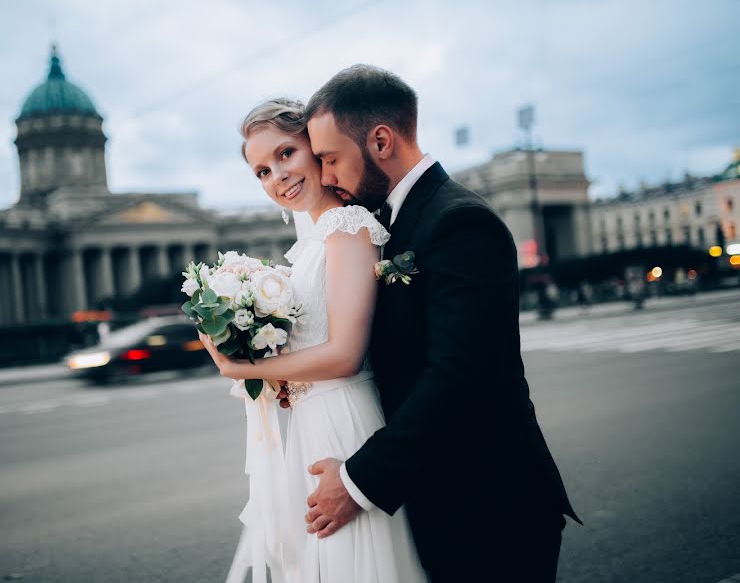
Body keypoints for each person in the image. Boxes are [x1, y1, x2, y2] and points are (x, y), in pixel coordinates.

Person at [298, 65, 579, 581]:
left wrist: (357, 480)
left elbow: (459, 378)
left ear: (380, 140)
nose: (327, 176)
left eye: (331, 158)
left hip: (490, 507)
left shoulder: (459, 222)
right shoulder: (388, 221)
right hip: (438, 496)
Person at [200, 98, 426, 582]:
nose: (276, 176)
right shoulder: (309, 245)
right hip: (306, 424)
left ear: (315, 148)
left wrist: (243, 369)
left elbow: (344, 354)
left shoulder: (348, 229)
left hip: (344, 420)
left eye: (285, 154)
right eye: (261, 171)